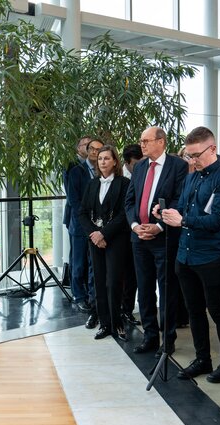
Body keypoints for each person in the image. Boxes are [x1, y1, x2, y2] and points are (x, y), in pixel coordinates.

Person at [159, 126, 220, 384]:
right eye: (189, 156)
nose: (192, 160)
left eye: (196, 155)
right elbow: (183, 208)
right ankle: (202, 358)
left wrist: (182, 221)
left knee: (217, 311)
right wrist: (164, 213)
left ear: (213, 149)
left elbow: (218, 221)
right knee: (194, 310)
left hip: (211, 256)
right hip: (185, 255)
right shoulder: (191, 178)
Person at [124, 127, 188, 357]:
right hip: (139, 237)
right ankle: (150, 336)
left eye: (146, 141)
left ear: (161, 142)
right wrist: (135, 226)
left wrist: (160, 226)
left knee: (167, 289)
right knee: (145, 289)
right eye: (141, 141)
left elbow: (181, 200)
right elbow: (130, 201)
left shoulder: (178, 166)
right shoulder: (140, 166)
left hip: (164, 238)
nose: (142, 145)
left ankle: (167, 339)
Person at [78, 146, 131, 341]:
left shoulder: (124, 183)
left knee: (114, 282)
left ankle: (117, 323)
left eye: (107, 158)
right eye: (100, 158)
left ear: (115, 161)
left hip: (116, 239)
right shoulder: (92, 184)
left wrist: (104, 234)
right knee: (99, 282)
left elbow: (124, 214)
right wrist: (94, 234)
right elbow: (82, 212)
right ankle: (105, 324)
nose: (102, 162)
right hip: (95, 240)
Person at [66, 138, 102, 328]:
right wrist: (87, 221)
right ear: (86, 151)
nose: (96, 153)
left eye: (99, 149)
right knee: (78, 261)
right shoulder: (76, 171)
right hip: (80, 225)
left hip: (98, 225)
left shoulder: (102, 170)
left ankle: (91, 296)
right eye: (92, 149)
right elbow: (74, 200)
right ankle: (78, 296)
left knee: (92, 263)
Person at [119, 144, 142, 326]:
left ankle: (128, 309)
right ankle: (120, 310)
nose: (139, 166)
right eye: (136, 164)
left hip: (138, 232)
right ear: (126, 163)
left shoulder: (143, 174)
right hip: (121, 233)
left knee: (133, 275)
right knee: (123, 274)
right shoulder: (121, 179)